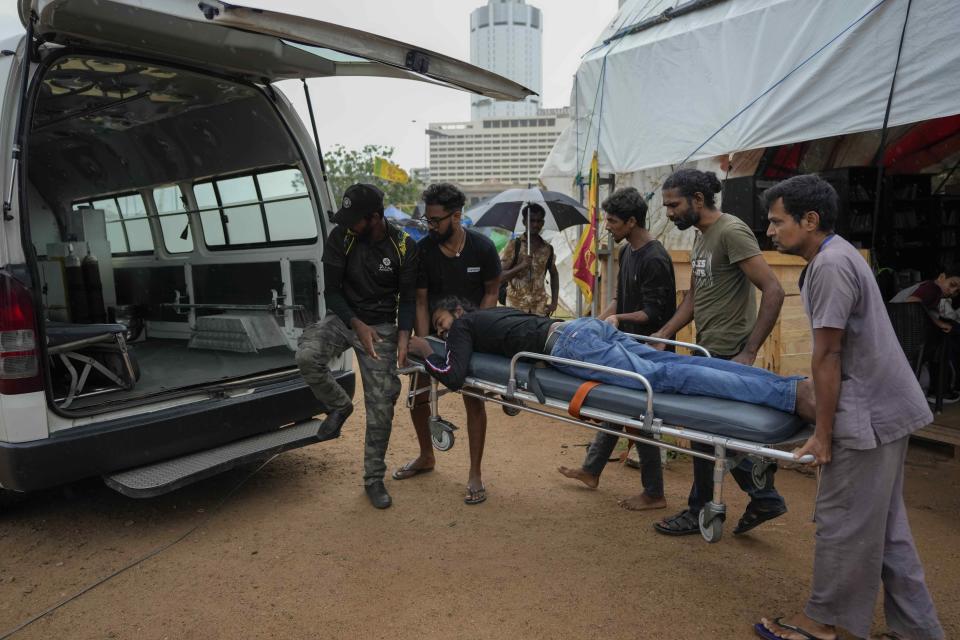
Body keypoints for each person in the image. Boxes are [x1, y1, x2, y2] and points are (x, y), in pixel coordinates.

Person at [756, 174, 943, 640]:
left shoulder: (831, 266)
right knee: (885, 526)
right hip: (887, 406)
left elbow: (829, 355)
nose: (771, 232)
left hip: (869, 416)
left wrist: (822, 433)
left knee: (842, 520)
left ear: (810, 219)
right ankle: (918, 630)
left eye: (777, 222)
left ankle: (821, 623)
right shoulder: (839, 255)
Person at [650, 168, 789, 537]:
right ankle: (764, 496)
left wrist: (749, 352)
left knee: (702, 430)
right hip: (705, 350)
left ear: (698, 200)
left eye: (674, 205)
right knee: (712, 433)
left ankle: (700, 511)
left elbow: (773, 290)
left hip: (728, 353)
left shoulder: (731, 231)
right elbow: (694, 298)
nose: (669, 213)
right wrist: (664, 333)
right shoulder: (701, 237)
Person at [409, 299, 815, 420]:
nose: (445, 332)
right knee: (678, 366)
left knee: (667, 379)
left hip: (571, 346)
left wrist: (428, 351)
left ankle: (788, 396)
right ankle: (789, 386)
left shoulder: (463, 328)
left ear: (457, 312)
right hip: (586, 328)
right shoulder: (494, 311)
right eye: (441, 331)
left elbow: (455, 375)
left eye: (443, 323)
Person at [295, 183, 418, 510]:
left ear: (375, 217)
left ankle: (373, 478)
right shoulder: (342, 238)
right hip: (344, 318)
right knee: (307, 355)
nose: (348, 224)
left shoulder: (404, 245)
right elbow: (331, 292)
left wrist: (403, 335)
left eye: (355, 219)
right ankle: (339, 405)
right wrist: (355, 323)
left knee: (381, 404)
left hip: (380, 328)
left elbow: (407, 298)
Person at [557, 187, 676, 511]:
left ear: (632, 221)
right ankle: (592, 470)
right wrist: (595, 321)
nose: (606, 226)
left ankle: (654, 493)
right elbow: (618, 299)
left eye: (611, 221)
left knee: (641, 417)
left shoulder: (655, 258)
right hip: (623, 346)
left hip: (646, 350)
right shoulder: (628, 253)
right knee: (615, 408)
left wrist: (616, 320)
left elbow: (652, 313)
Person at [393, 182, 502, 505]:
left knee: (473, 399)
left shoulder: (482, 248)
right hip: (433, 333)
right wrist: (424, 343)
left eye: (436, 220)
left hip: (471, 335)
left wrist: (478, 332)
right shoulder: (423, 251)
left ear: (457, 216)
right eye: (428, 219)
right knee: (418, 396)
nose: (430, 225)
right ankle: (427, 456)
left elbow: (492, 291)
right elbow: (422, 301)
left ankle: (475, 473)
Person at [890, 267, 960, 404]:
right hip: (904, 338)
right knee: (950, 335)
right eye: (952, 285)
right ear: (941, 277)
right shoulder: (933, 288)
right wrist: (939, 323)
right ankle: (941, 389)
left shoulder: (928, 289)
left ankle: (940, 387)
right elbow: (912, 303)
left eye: (957, 291)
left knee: (951, 329)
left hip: (898, 336)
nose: (952, 292)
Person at [499, 203, 560, 316]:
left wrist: (554, 302)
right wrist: (521, 266)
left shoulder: (547, 248)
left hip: (539, 309)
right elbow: (500, 277)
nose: (535, 224)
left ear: (542, 223)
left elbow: (554, 274)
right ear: (524, 222)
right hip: (515, 309)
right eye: (531, 220)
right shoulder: (514, 245)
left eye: (538, 221)